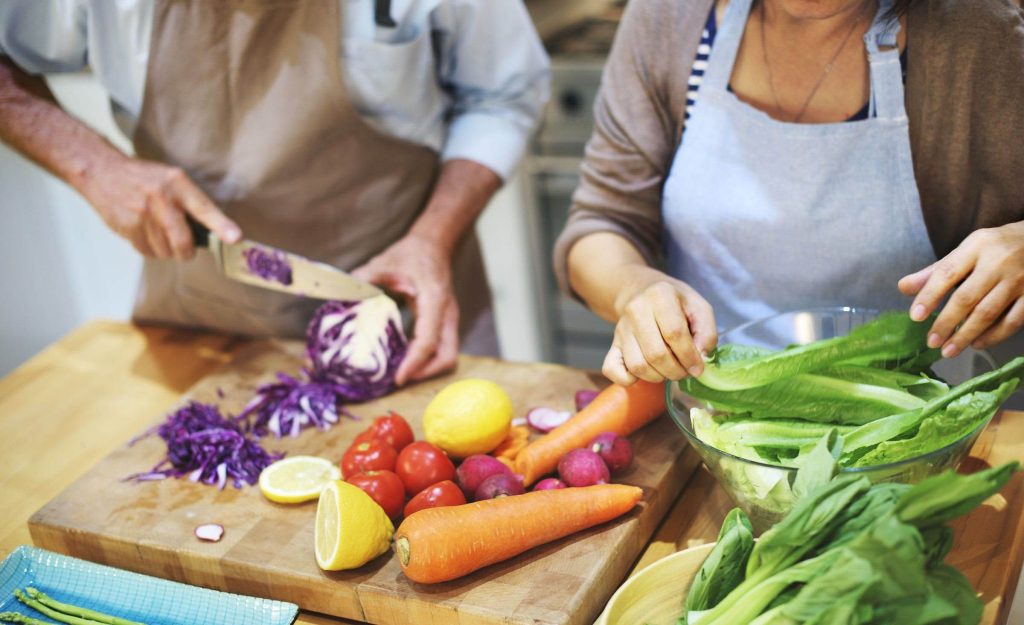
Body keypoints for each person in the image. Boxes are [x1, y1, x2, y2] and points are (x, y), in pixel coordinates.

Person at [0, 0, 550, 386]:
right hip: (202, 330)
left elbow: (503, 95)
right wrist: (96, 167)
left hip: (407, 316)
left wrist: (432, 239)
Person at [555, 0, 1024, 388]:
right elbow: (602, 225)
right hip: (710, 421)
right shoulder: (670, 16)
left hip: (914, 428)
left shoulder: (978, 33)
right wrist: (634, 288)